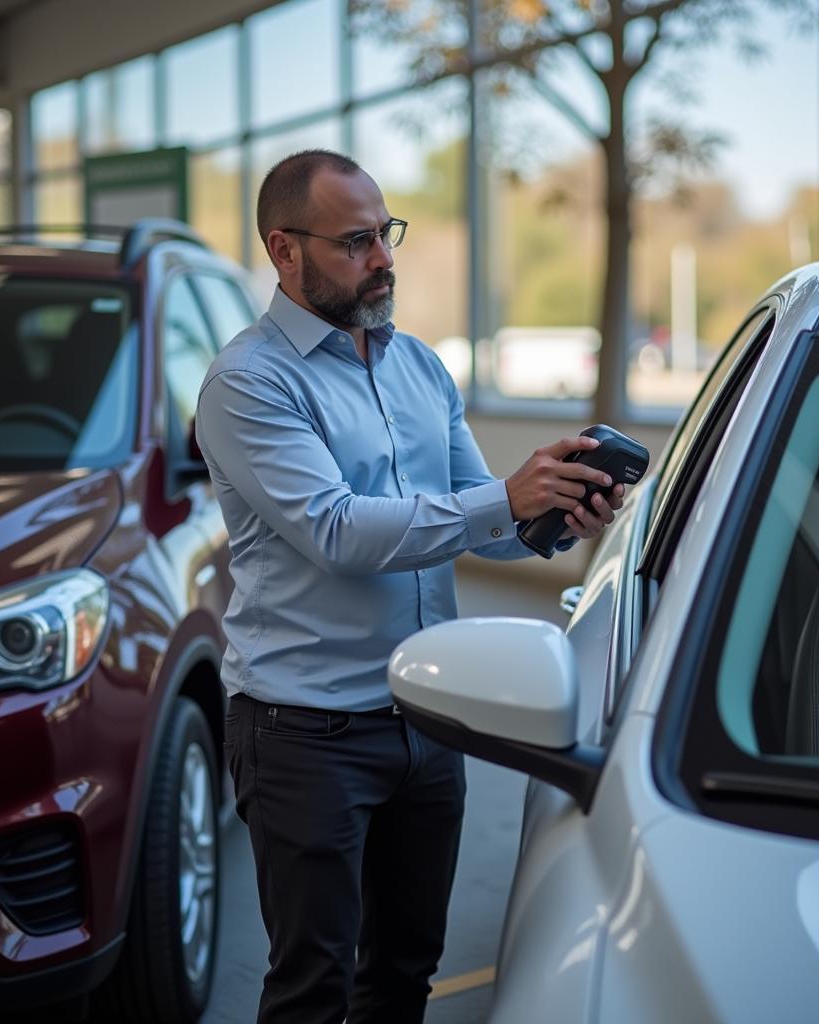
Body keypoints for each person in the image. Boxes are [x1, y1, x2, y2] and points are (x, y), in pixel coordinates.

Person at [195, 148, 626, 1024]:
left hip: (431, 723)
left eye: (385, 233)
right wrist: (504, 497)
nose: (385, 258)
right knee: (310, 988)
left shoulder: (419, 366)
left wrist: (551, 517)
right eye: (356, 242)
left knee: (402, 975)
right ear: (284, 250)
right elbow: (339, 531)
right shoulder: (248, 382)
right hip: (305, 735)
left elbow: (472, 525)